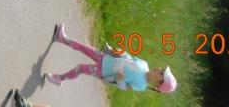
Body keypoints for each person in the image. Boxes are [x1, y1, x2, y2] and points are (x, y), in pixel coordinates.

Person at [44, 23, 178, 93]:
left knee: (80, 68)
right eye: (162, 69)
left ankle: (59, 79)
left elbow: (124, 88)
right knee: (83, 47)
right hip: (106, 59)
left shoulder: (141, 85)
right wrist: (115, 51)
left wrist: (120, 79)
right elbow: (128, 58)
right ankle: (61, 38)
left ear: (158, 84)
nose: (159, 69)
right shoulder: (144, 64)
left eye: (161, 73)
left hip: (103, 71)